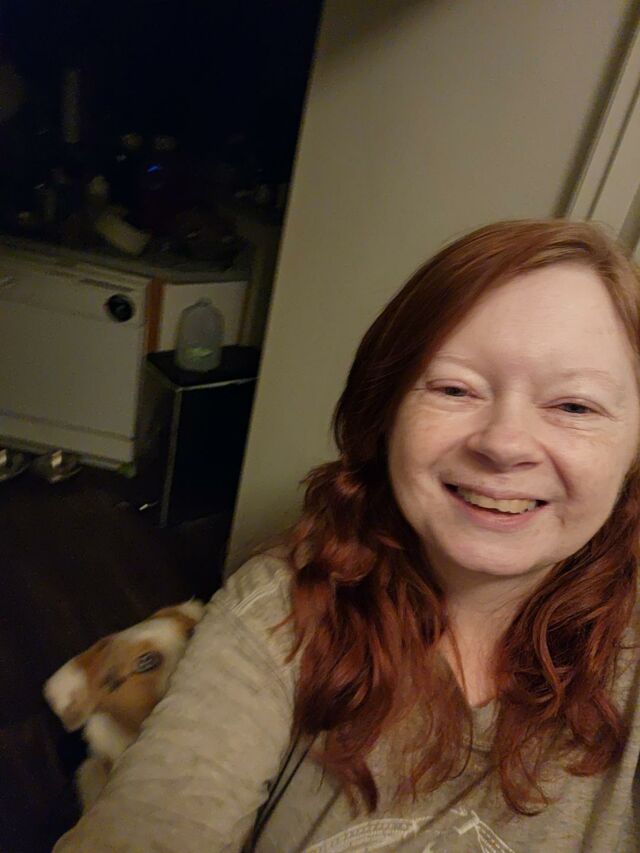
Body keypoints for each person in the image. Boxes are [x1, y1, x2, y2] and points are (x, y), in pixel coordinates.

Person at [53, 220, 640, 852]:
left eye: (574, 406)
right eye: (454, 388)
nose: (503, 444)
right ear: (385, 414)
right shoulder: (281, 604)